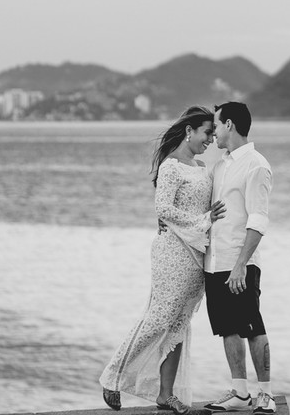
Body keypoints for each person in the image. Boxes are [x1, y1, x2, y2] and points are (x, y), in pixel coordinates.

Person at [100, 106, 227, 414]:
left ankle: (166, 394)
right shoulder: (172, 166)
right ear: (189, 131)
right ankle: (112, 376)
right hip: (172, 252)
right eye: (207, 132)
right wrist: (204, 220)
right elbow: (163, 209)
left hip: (197, 253)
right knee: (158, 318)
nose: (210, 139)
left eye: (213, 133)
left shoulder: (199, 166)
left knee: (179, 324)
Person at [203, 101, 276, 414]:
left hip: (239, 263)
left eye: (216, 125)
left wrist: (241, 266)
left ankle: (266, 394)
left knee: (251, 326)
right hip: (214, 262)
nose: (214, 133)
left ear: (229, 125)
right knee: (227, 328)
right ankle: (240, 392)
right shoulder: (220, 165)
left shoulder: (256, 165)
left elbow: (258, 220)